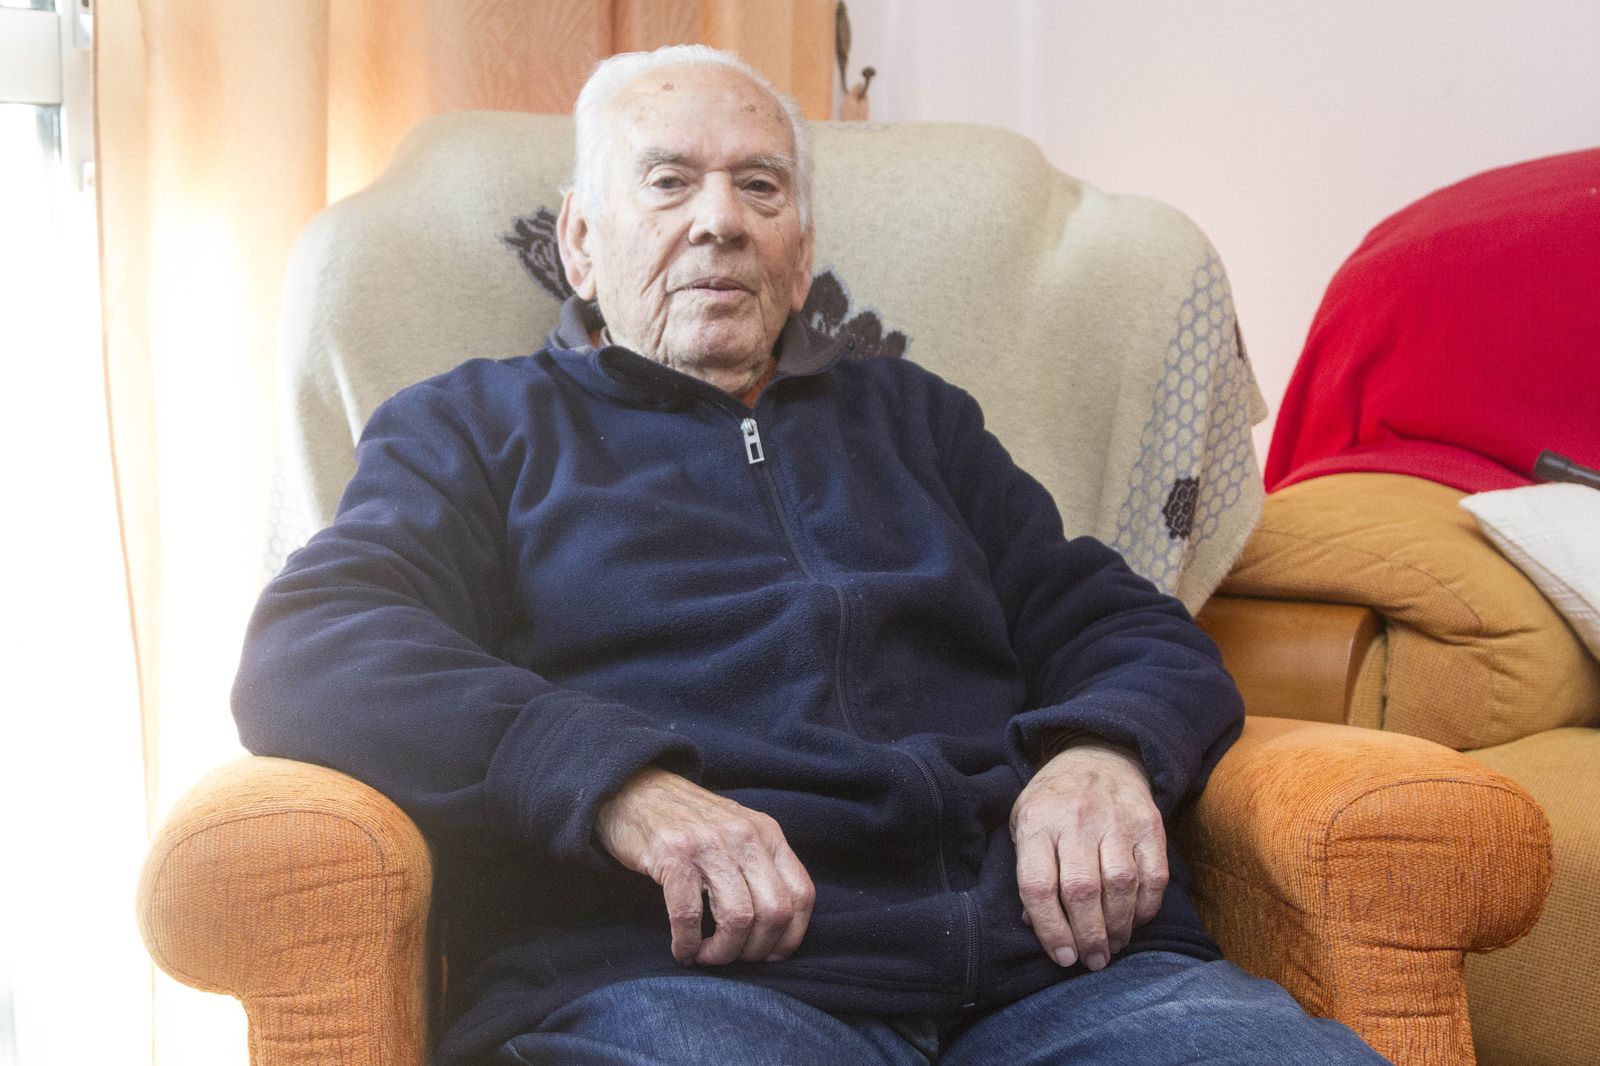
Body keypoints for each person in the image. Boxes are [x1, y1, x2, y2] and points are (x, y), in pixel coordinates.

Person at [234, 45, 1388, 1066]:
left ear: (800, 252)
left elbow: (1122, 622)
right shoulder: (472, 430)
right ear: (580, 240)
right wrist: (616, 784)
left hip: (1056, 969)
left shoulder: (919, 420)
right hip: (688, 982)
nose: (720, 219)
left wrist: (1104, 749)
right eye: (669, 181)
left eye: (759, 185)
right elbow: (314, 650)